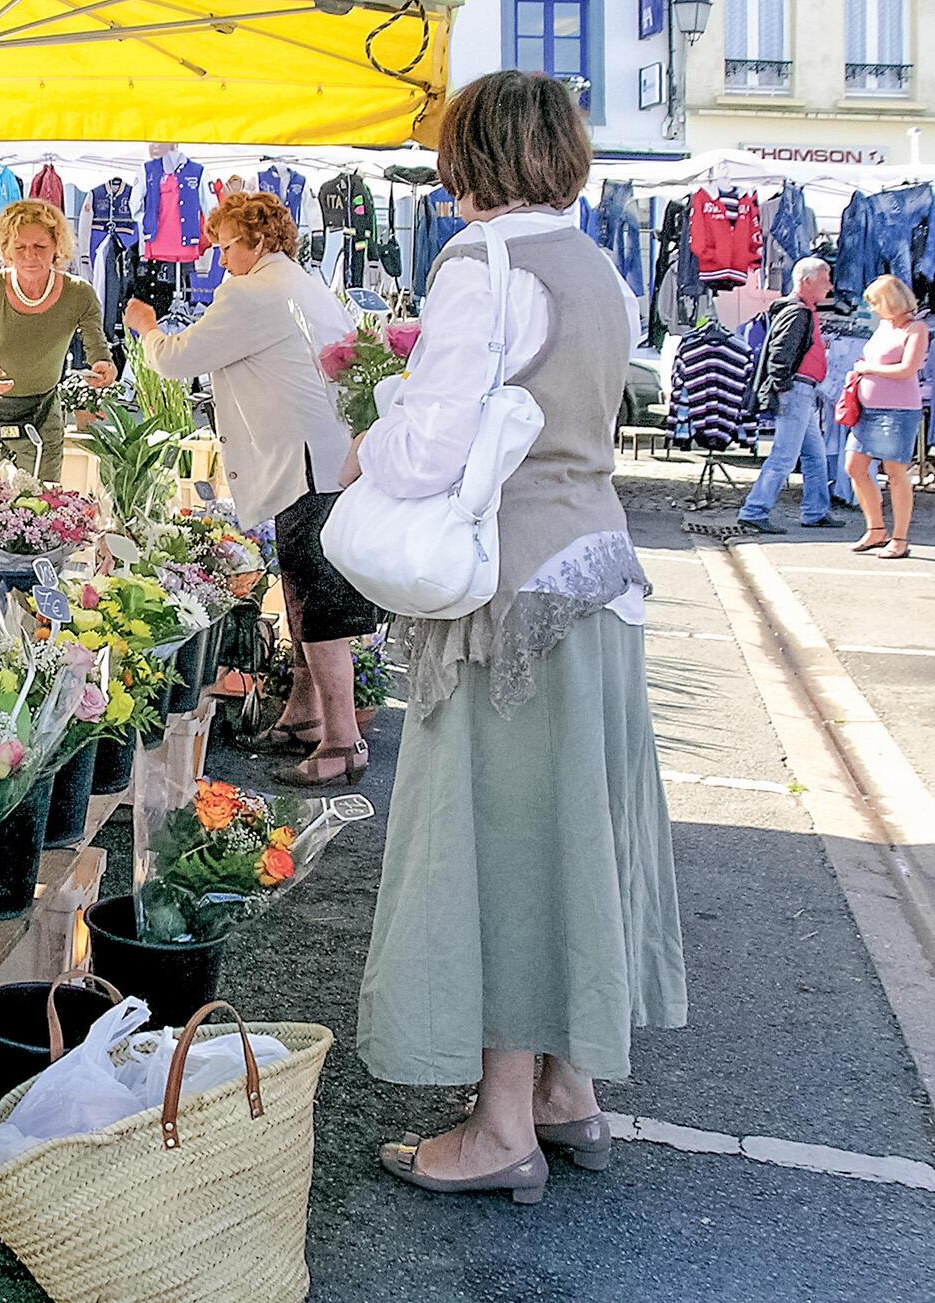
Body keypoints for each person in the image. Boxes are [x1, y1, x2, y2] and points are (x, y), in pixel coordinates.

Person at [345, 70, 687, 1204]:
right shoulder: (595, 265)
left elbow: (427, 451)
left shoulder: (479, 264)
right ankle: (566, 1088)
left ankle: (501, 1127)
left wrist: (369, 439)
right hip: (600, 575)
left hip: (511, 598)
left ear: (470, 155)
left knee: (499, 843)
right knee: (577, 830)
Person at [124, 192, 376, 786]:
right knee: (304, 597)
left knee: (318, 605)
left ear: (259, 241)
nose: (220, 260)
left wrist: (147, 328)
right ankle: (305, 716)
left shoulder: (252, 291)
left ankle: (343, 742)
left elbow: (179, 359)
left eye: (226, 246)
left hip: (304, 468)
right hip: (328, 460)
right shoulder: (305, 285)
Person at [0, 198, 115, 473]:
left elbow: (97, 348)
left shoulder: (79, 294)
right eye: (20, 247)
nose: (30, 255)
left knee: (42, 496)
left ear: (57, 247)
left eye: (40, 246)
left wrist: (103, 368)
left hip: (43, 417)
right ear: (6, 250)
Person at [738, 258, 842, 534]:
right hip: (797, 390)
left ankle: (816, 511)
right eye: (825, 279)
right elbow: (780, 354)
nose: (830, 286)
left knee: (814, 455)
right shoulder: (798, 312)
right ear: (807, 281)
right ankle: (754, 510)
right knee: (785, 455)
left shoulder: (801, 310)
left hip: (802, 390)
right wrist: (785, 388)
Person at [844, 274, 924, 560]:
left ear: (890, 301)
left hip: (898, 411)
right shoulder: (884, 327)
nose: (873, 309)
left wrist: (868, 370)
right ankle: (876, 528)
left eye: (876, 303)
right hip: (868, 409)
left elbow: (907, 369)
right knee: (854, 466)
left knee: (895, 472)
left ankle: (900, 537)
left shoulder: (916, 329)